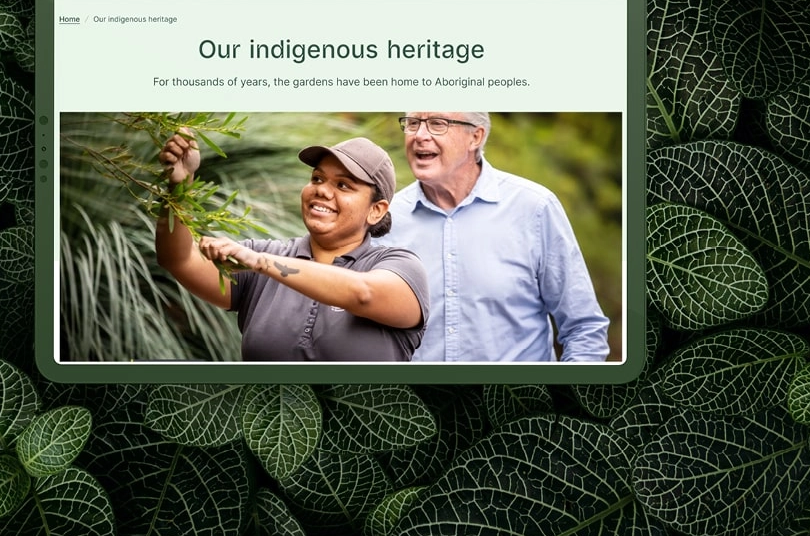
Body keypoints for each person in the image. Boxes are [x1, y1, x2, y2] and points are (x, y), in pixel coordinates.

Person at [156, 133, 429, 361]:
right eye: (317, 179)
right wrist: (180, 186)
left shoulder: (400, 267)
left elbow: (363, 293)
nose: (321, 190)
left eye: (343, 185)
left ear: (376, 211)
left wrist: (262, 263)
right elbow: (180, 260)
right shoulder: (264, 256)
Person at [380, 113, 609, 362]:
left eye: (438, 124)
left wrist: (567, 398)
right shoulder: (385, 218)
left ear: (475, 137)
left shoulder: (534, 208)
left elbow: (584, 329)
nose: (420, 135)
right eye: (413, 123)